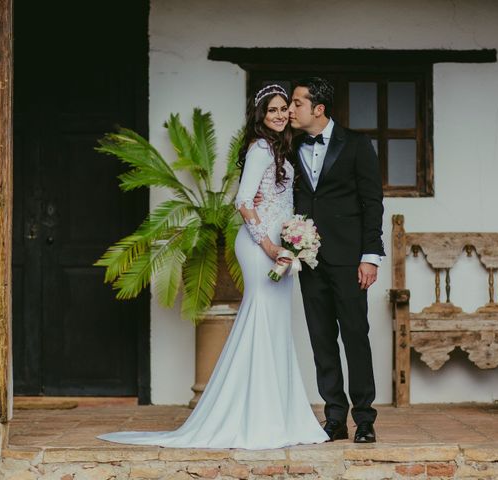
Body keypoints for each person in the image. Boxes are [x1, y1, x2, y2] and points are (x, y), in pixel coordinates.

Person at [97, 84, 329, 449]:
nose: (281, 114)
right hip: (258, 247)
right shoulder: (259, 149)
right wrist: (268, 245)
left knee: (276, 327)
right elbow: (243, 202)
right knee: (262, 321)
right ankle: (256, 416)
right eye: (273, 110)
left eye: (284, 108)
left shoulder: (281, 148)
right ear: (260, 116)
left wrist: (294, 239)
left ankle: (279, 413)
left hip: (282, 246)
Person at [289, 77, 385, 443]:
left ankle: (365, 418)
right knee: (321, 338)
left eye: (298, 103)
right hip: (309, 259)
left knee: (356, 336)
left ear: (318, 109)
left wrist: (371, 256)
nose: (292, 109)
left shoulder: (357, 145)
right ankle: (334, 416)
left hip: (349, 260)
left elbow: (371, 202)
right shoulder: (292, 147)